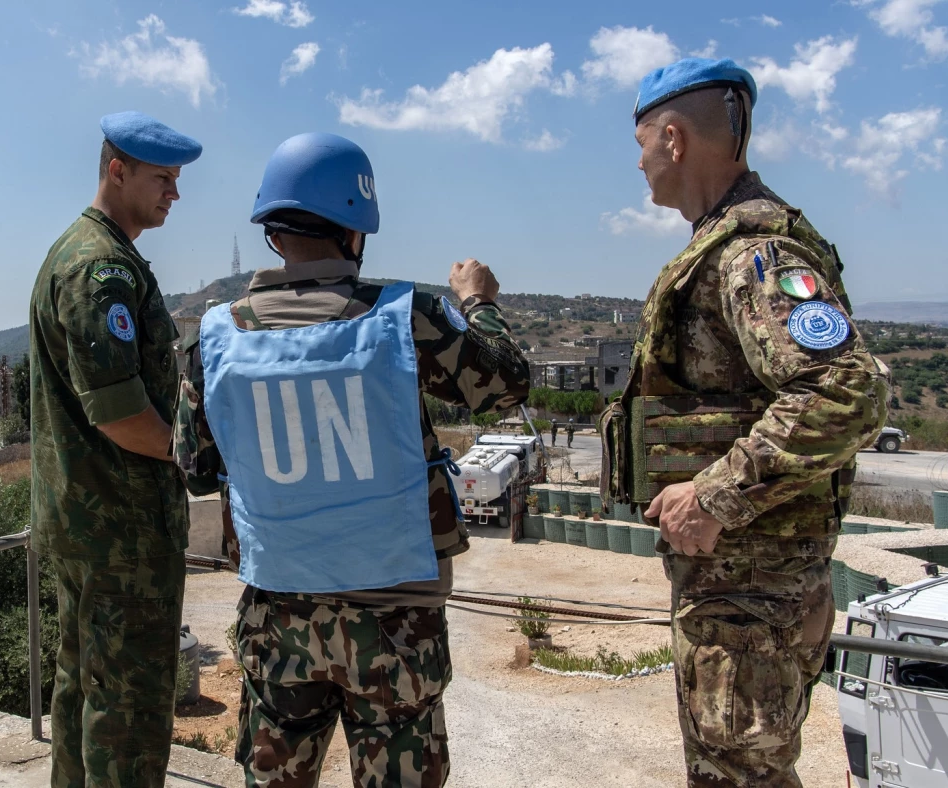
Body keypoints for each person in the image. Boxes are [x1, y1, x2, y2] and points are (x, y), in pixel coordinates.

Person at [173, 132, 529, 788]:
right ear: (357, 230)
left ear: (273, 233)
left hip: (277, 620)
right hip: (396, 627)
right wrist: (479, 303)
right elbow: (505, 385)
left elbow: (193, 467)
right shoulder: (406, 317)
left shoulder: (214, 339)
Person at [599, 59, 889, 787]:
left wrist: (714, 495)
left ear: (673, 139)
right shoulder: (728, 245)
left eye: (640, 145)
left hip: (750, 596)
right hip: (744, 594)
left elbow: (845, 389)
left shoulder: (753, 256)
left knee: (741, 776)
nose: (637, 164)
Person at [29, 111, 201, 788]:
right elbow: (122, 412)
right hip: (120, 529)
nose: (175, 194)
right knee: (127, 709)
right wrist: (191, 452)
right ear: (117, 170)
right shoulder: (100, 268)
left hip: (88, 521)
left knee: (86, 688)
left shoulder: (87, 251)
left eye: (178, 179)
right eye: (163, 178)